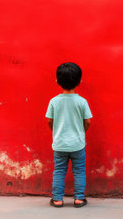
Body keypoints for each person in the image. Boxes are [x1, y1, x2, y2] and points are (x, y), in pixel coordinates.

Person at [46, 62, 92, 208]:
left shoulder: (54, 101)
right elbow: (88, 121)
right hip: (78, 144)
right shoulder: (82, 101)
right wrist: (81, 132)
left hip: (59, 144)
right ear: (79, 81)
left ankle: (57, 199)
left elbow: (49, 121)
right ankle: (79, 199)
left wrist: (56, 132)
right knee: (79, 171)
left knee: (59, 170)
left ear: (57, 81)